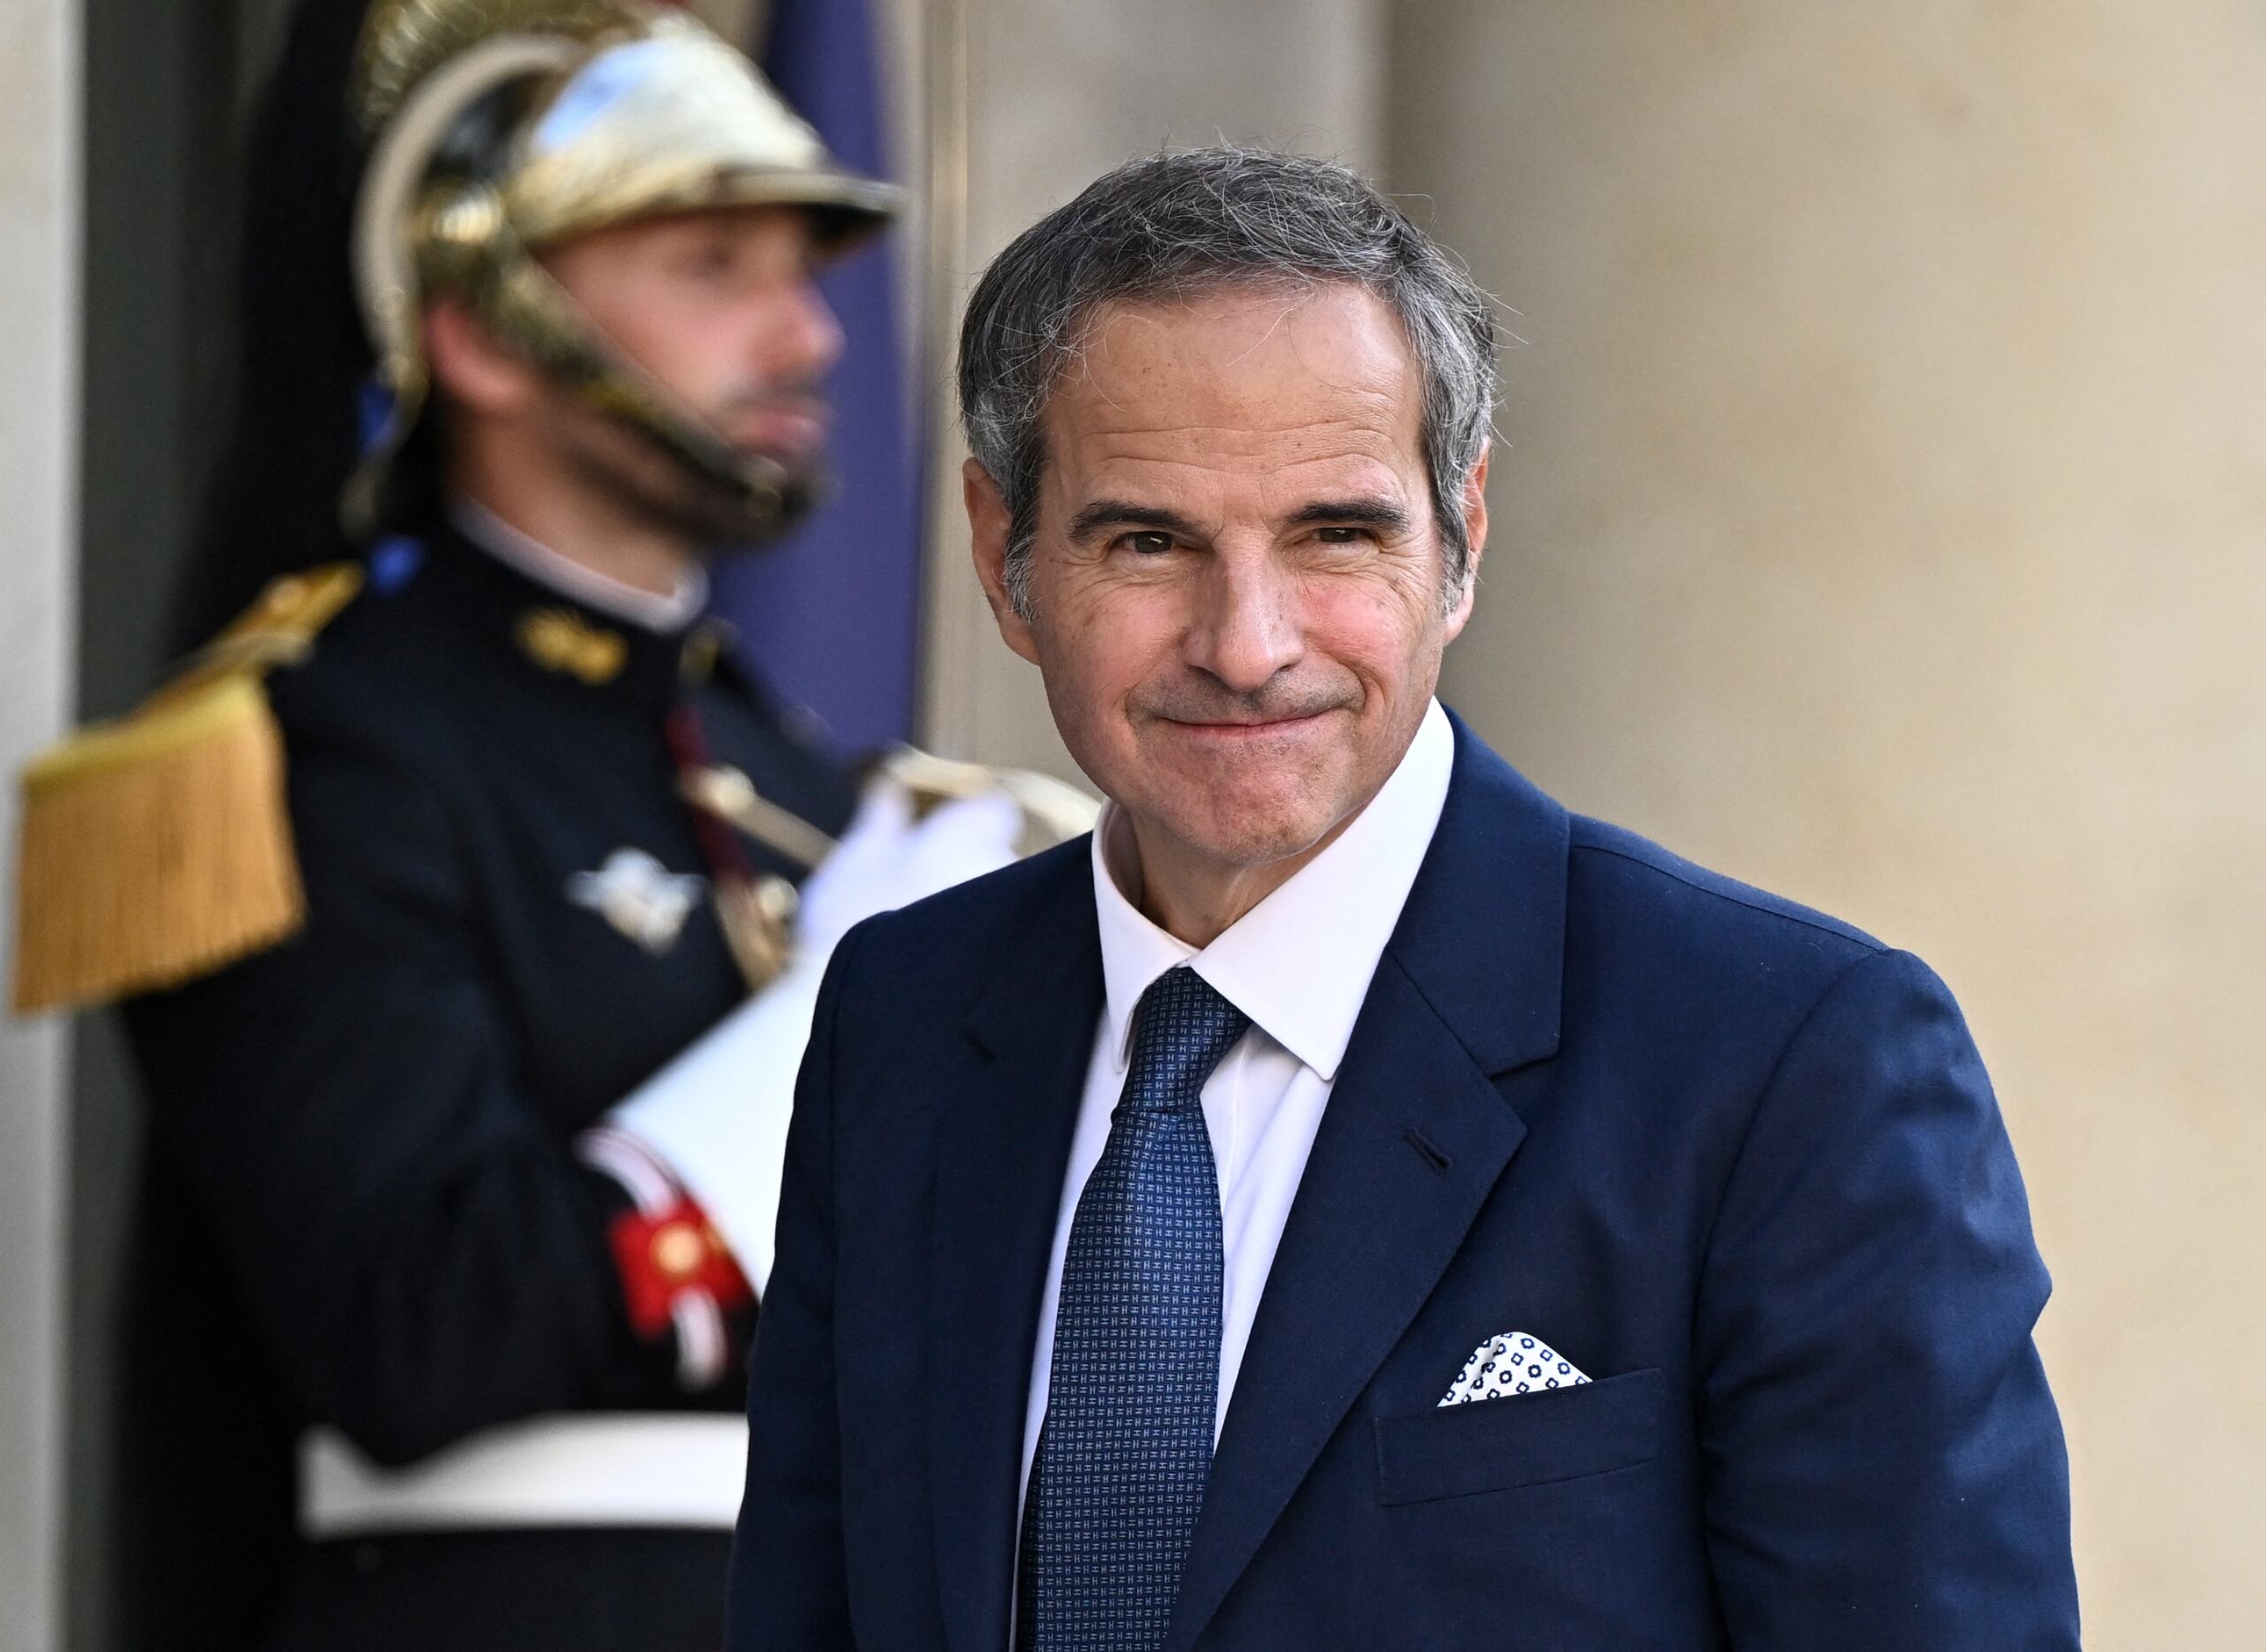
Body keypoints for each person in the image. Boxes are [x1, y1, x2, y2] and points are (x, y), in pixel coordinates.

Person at [728, 147, 2080, 1649]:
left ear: (1461, 540)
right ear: (1004, 557)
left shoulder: (1785, 1055)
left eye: (1334, 534)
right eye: (1147, 541)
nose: (1245, 645)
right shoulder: (903, 1017)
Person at [10, 1, 1075, 1647]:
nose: (807, 338)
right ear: (486, 330)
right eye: (713, 265)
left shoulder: (814, 787)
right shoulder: (315, 753)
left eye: (801, 270)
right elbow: (418, 1331)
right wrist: (834, 1030)